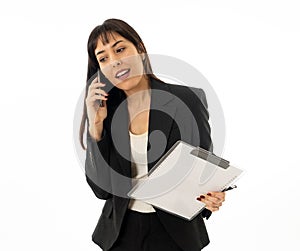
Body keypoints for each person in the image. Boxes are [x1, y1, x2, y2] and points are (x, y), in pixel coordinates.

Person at [79, 18, 226, 251]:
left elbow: (203, 167)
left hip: (175, 233)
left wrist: (211, 198)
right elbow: (101, 190)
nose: (115, 61)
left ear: (140, 49)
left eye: (120, 49)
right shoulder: (107, 111)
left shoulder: (187, 100)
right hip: (120, 233)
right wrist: (96, 126)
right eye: (103, 58)